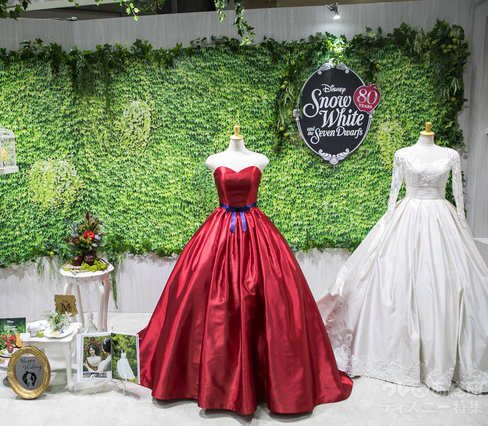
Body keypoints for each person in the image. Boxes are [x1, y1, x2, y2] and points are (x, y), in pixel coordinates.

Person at [138, 126, 353, 415]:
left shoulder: (260, 159)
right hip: (219, 232)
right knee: (204, 297)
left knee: (270, 299)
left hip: (256, 231)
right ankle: (204, 378)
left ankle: (266, 380)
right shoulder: (214, 159)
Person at [318, 122, 488, 394]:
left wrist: (461, 226)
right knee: (395, 282)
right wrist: (387, 225)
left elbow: (458, 201)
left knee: (442, 284)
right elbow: (393, 196)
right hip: (406, 217)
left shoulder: (450, 155)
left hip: (442, 221)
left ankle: (440, 361)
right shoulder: (402, 154)